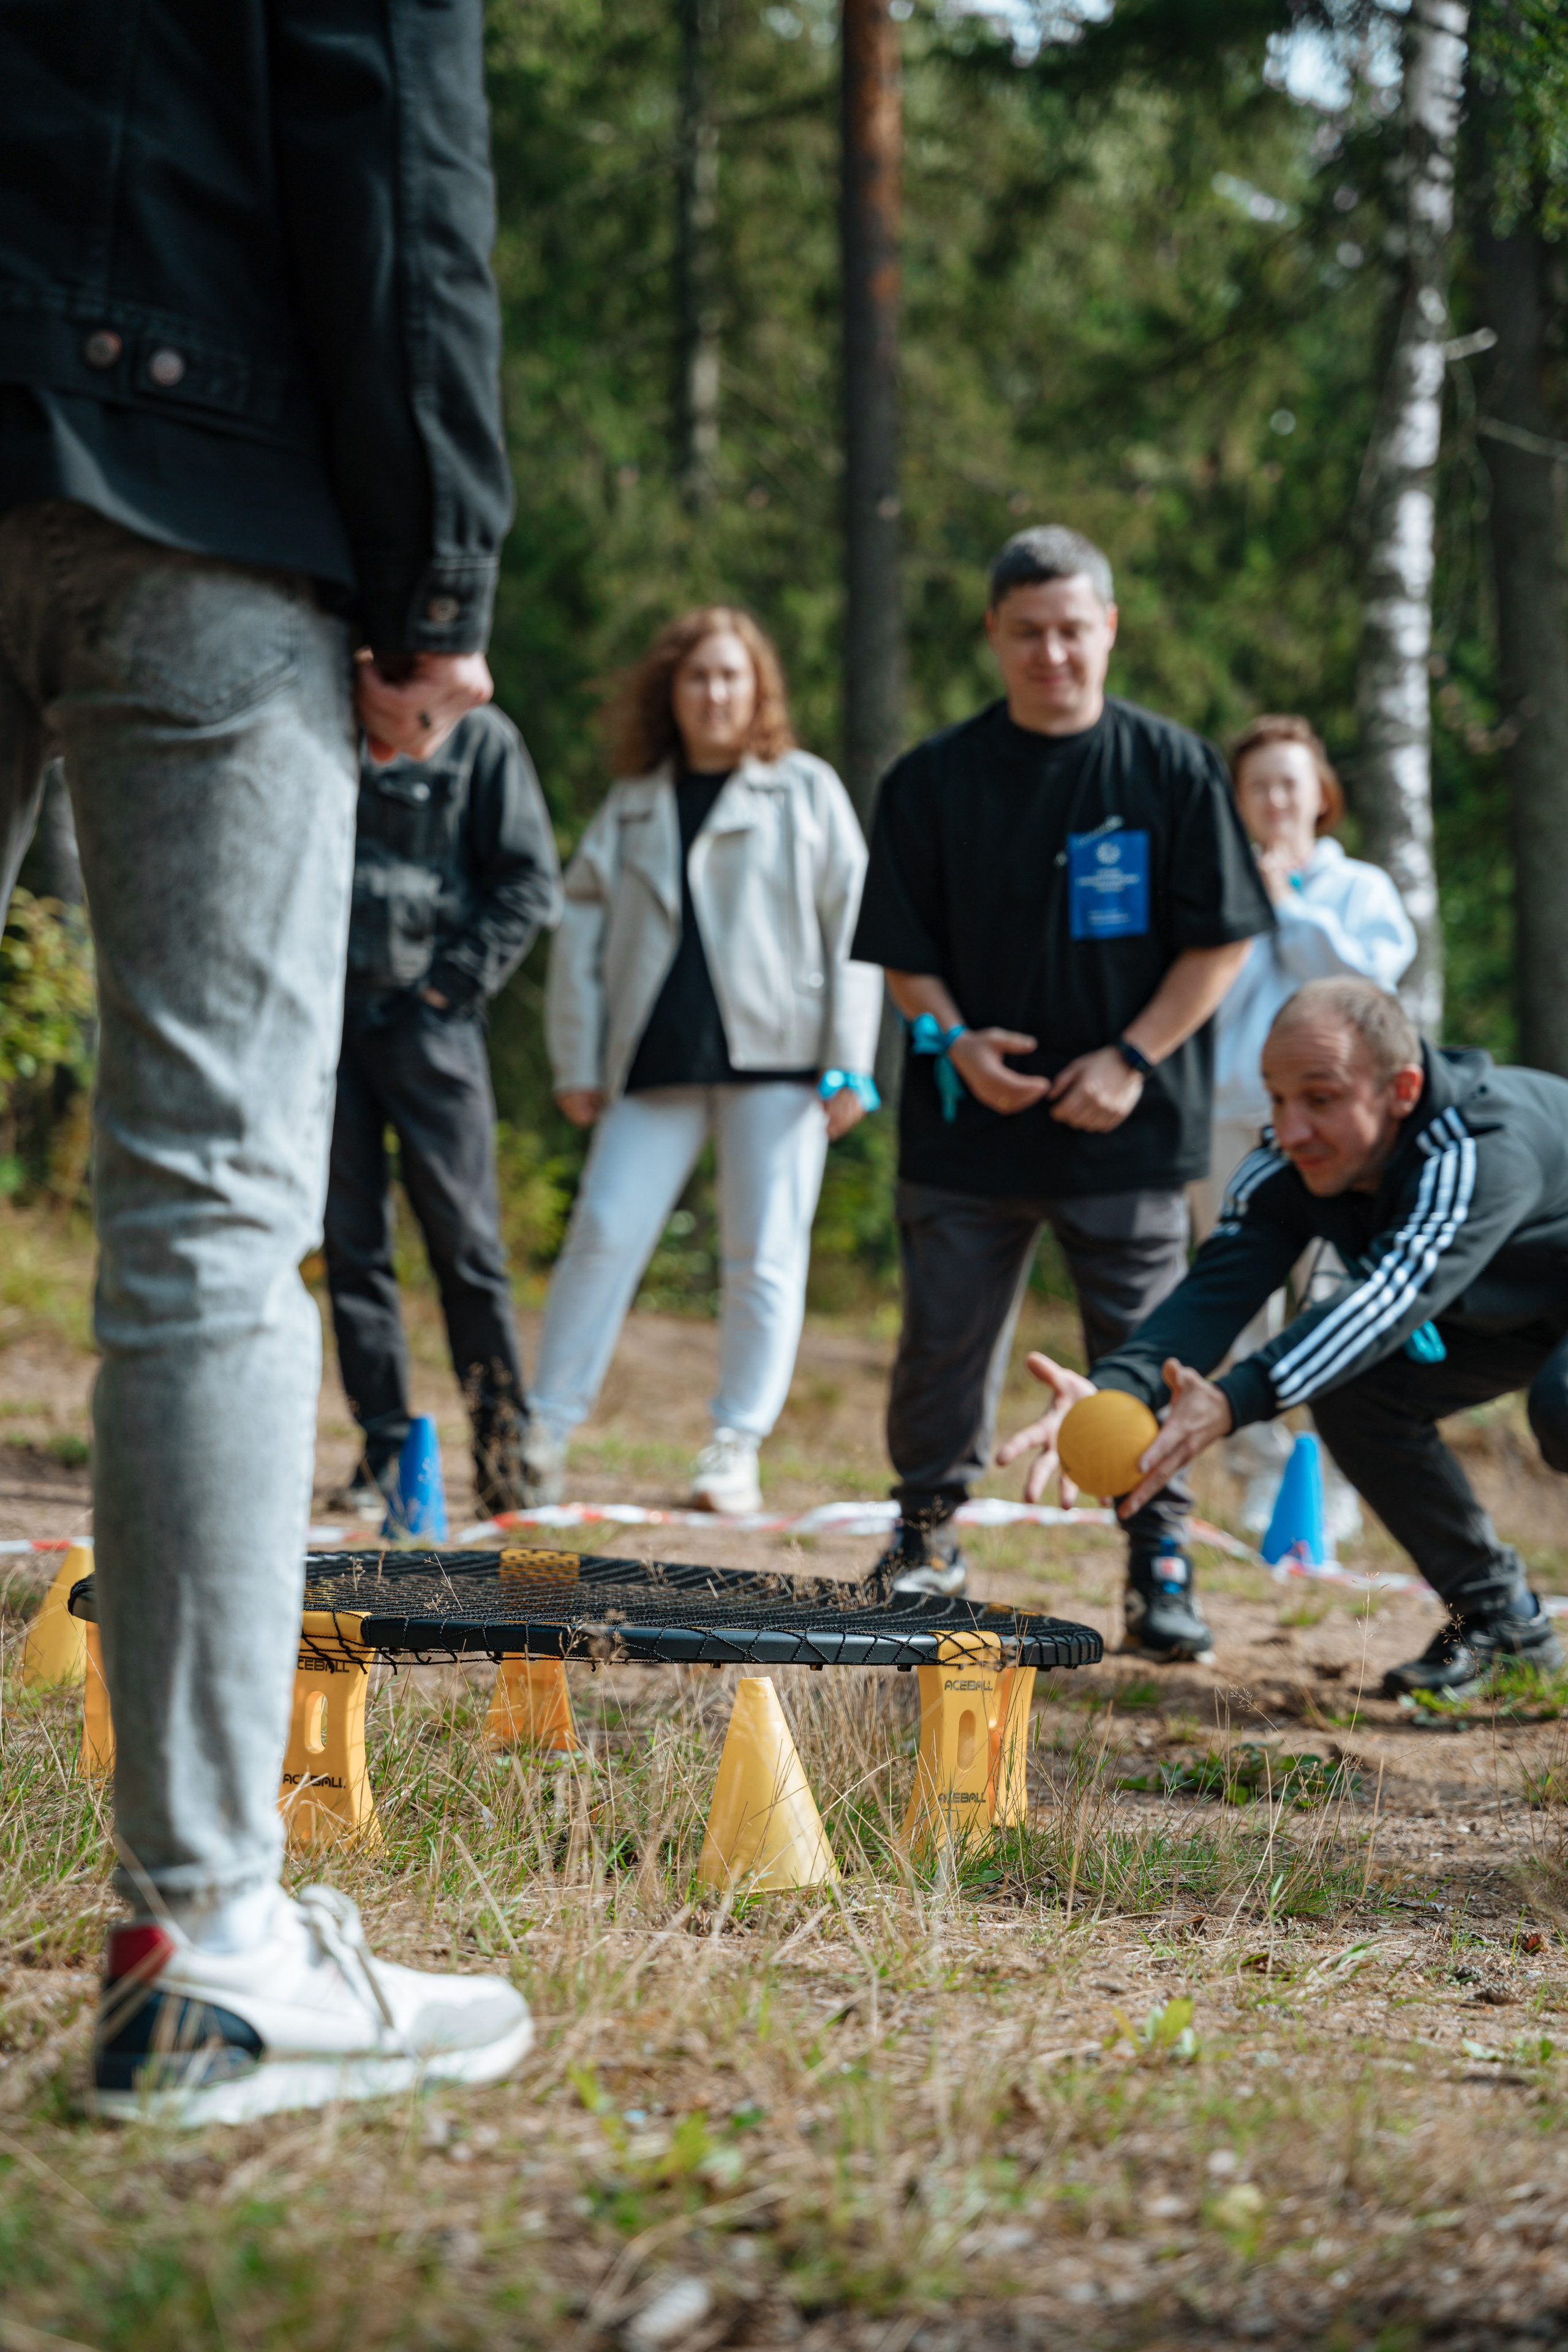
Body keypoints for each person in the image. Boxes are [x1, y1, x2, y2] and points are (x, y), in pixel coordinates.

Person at [0, 0, 532, 2120]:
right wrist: (436, 570)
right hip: (197, 463)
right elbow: (390, 129)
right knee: (213, 1197)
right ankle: (200, 1941)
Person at [850, 524, 1273, 1656]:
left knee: (1146, 1351)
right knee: (941, 1346)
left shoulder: (1171, 768)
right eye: (1028, 632)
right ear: (994, 633)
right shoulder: (930, 779)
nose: (1052, 654)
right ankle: (927, 1539)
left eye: (1072, 630)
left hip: (1127, 1130)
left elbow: (1221, 943)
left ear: (1110, 630)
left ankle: (1158, 1563)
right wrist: (955, 1045)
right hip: (965, 1126)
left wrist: (1131, 1058)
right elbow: (903, 954)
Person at [1005, 978, 1567, 1697]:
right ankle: (1504, 1623)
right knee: (1355, 1389)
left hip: (1528, 1288)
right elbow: (1215, 1292)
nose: (1289, 1128)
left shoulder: (1478, 1145)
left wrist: (1233, 1400)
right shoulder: (1287, 1165)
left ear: (1401, 1089)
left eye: (1320, 1098)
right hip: (1520, 1301)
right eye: (1275, 1098)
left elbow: (1385, 1299)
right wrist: (1120, 1386)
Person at [531, 606, 882, 1514]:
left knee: (763, 1255)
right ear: (670, 693)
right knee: (604, 1230)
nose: (715, 693)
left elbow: (854, 921)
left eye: (732, 675)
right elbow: (576, 936)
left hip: (785, 1062)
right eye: (697, 677)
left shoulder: (806, 790)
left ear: (759, 687)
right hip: (654, 1059)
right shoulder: (633, 802)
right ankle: (542, 1429)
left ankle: (735, 1444)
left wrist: (850, 1058)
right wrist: (577, 1056)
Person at [325, 707, 562, 1523]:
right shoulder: (317, 716)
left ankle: (505, 1451)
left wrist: (446, 986)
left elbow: (529, 881)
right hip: (323, 1026)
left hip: (434, 1031)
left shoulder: (482, 736)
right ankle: (386, 1451)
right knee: (351, 1248)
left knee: (467, 1246)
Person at [1191, 713, 1415, 1539]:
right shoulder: (1217, 882)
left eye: (1290, 783)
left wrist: (1286, 903)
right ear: (1239, 801)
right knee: (1237, 1303)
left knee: (1331, 1293)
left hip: (1344, 1139)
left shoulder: (1361, 890)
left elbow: (1363, 989)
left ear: (1320, 793)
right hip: (1227, 1118)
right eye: (1258, 787)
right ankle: (1260, 1468)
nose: (1276, 801)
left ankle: (1337, 1473)